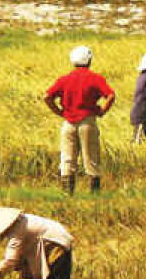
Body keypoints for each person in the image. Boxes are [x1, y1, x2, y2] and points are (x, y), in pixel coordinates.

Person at [45, 45, 115, 194]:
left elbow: (47, 96)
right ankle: (93, 195)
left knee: (67, 159)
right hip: (87, 121)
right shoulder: (95, 78)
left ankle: (67, 194)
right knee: (91, 159)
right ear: (89, 60)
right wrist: (102, 111)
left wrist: (58, 112)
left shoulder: (64, 79)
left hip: (68, 123)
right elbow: (110, 95)